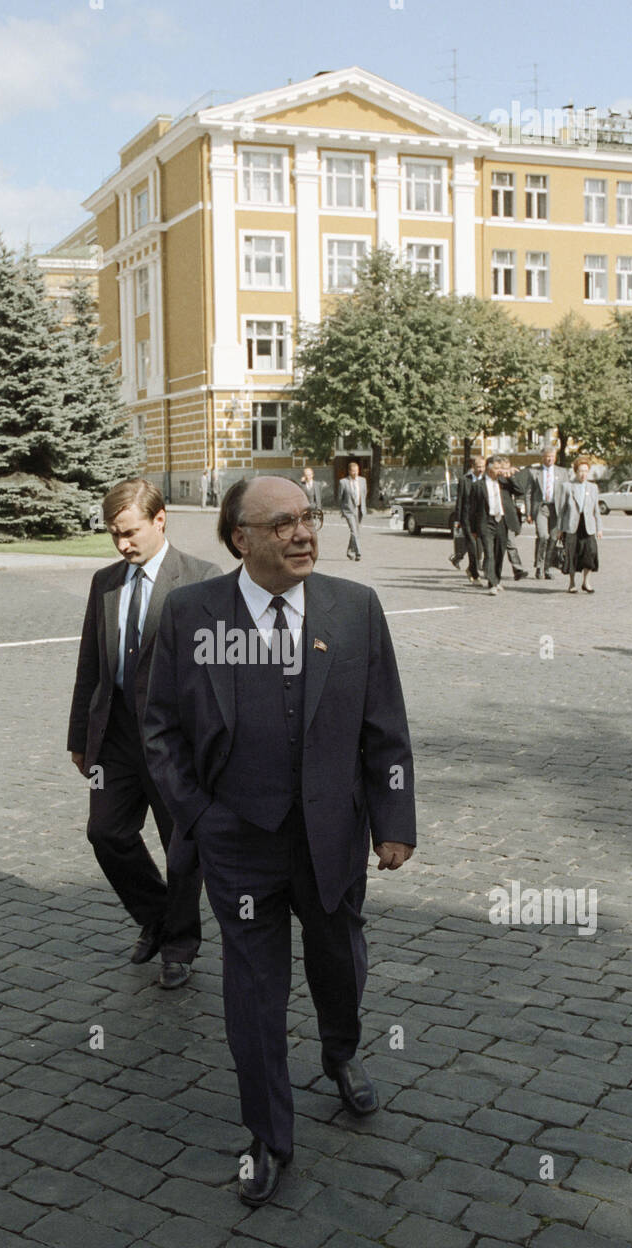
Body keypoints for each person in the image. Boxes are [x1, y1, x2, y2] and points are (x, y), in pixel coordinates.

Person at [144, 476, 416, 1207]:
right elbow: (160, 728)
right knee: (254, 993)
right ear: (241, 539)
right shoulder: (191, 613)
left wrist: (393, 822)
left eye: (309, 519)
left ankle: (341, 1052)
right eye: (283, 524)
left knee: (338, 964)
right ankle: (267, 1135)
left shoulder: (353, 608)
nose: (304, 535)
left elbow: (384, 725)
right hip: (240, 846)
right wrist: (198, 817)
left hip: (332, 837)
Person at [67, 479, 220, 989]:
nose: (122, 545)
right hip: (115, 736)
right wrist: (79, 737)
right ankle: (157, 916)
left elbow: (216, 675)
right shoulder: (105, 582)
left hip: (176, 743)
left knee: (181, 846)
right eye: (114, 535)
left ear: (160, 520)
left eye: (129, 533)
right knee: (105, 832)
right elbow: (90, 663)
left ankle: (178, 946)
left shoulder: (201, 579)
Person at [557, 455, 602, 594]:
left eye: (586, 471)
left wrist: (599, 528)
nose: (583, 474)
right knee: (572, 554)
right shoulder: (567, 487)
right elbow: (562, 510)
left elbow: (596, 510)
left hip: (587, 526)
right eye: (581, 471)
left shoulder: (593, 487)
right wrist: (559, 529)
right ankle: (571, 583)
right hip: (572, 526)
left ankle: (586, 582)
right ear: (576, 471)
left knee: (590, 553)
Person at [526, 445, 569, 580]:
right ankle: (539, 566)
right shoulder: (534, 472)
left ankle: (548, 567)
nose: (550, 459)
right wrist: (528, 513)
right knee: (543, 536)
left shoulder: (562, 473)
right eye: (547, 456)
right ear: (542, 457)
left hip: (556, 509)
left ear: (555, 457)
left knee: (553, 538)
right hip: (541, 508)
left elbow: (567, 493)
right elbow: (528, 494)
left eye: (552, 456)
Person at [473, 455, 511, 595]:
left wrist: (509, 476)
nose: (499, 470)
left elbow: (519, 490)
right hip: (486, 521)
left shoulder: (503, 482)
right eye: (496, 468)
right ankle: (492, 583)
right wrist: (473, 529)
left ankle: (497, 578)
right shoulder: (478, 485)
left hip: (501, 520)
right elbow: (472, 509)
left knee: (499, 552)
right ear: (489, 469)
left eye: (500, 468)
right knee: (489, 553)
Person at [493, 456, 529, 581]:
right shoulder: (492, 479)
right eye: (502, 468)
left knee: (511, 543)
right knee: (492, 545)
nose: (504, 471)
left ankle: (518, 568)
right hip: (493, 515)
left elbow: (520, 491)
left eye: (506, 468)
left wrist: (511, 477)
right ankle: (488, 568)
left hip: (507, 516)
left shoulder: (508, 480)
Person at [454, 454, 486, 584]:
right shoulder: (464, 480)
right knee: (472, 547)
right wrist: (458, 520)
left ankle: (470, 569)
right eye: (478, 467)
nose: (481, 469)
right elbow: (460, 500)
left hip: (482, 519)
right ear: (473, 467)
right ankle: (475, 574)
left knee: (480, 550)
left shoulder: (486, 479)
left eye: (483, 466)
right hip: (467, 518)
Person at [339, 458, 367, 561]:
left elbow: (364, 494)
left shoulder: (363, 480)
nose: (355, 473)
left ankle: (350, 551)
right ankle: (358, 552)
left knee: (356, 532)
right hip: (349, 510)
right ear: (349, 471)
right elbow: (340, 497)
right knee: (354, 530)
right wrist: (343, 510)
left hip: (359, 509)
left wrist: (363, 507)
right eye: (353, 471)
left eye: (357, 471)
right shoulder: (343, 482)